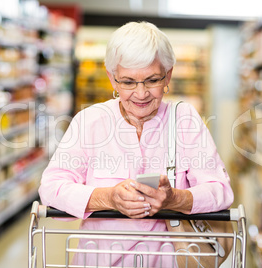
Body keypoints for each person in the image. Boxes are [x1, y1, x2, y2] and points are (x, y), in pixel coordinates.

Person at [38, 21, 234, 267]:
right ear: (112, 78)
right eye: (128, 82)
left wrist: (175, 199)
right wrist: (107, 198)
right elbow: (51, 188)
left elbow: (220, 190)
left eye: (152, 80)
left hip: (170, 261)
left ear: (168, 75)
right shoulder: (90, 121)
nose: (141, 94)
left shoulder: (185, 120)